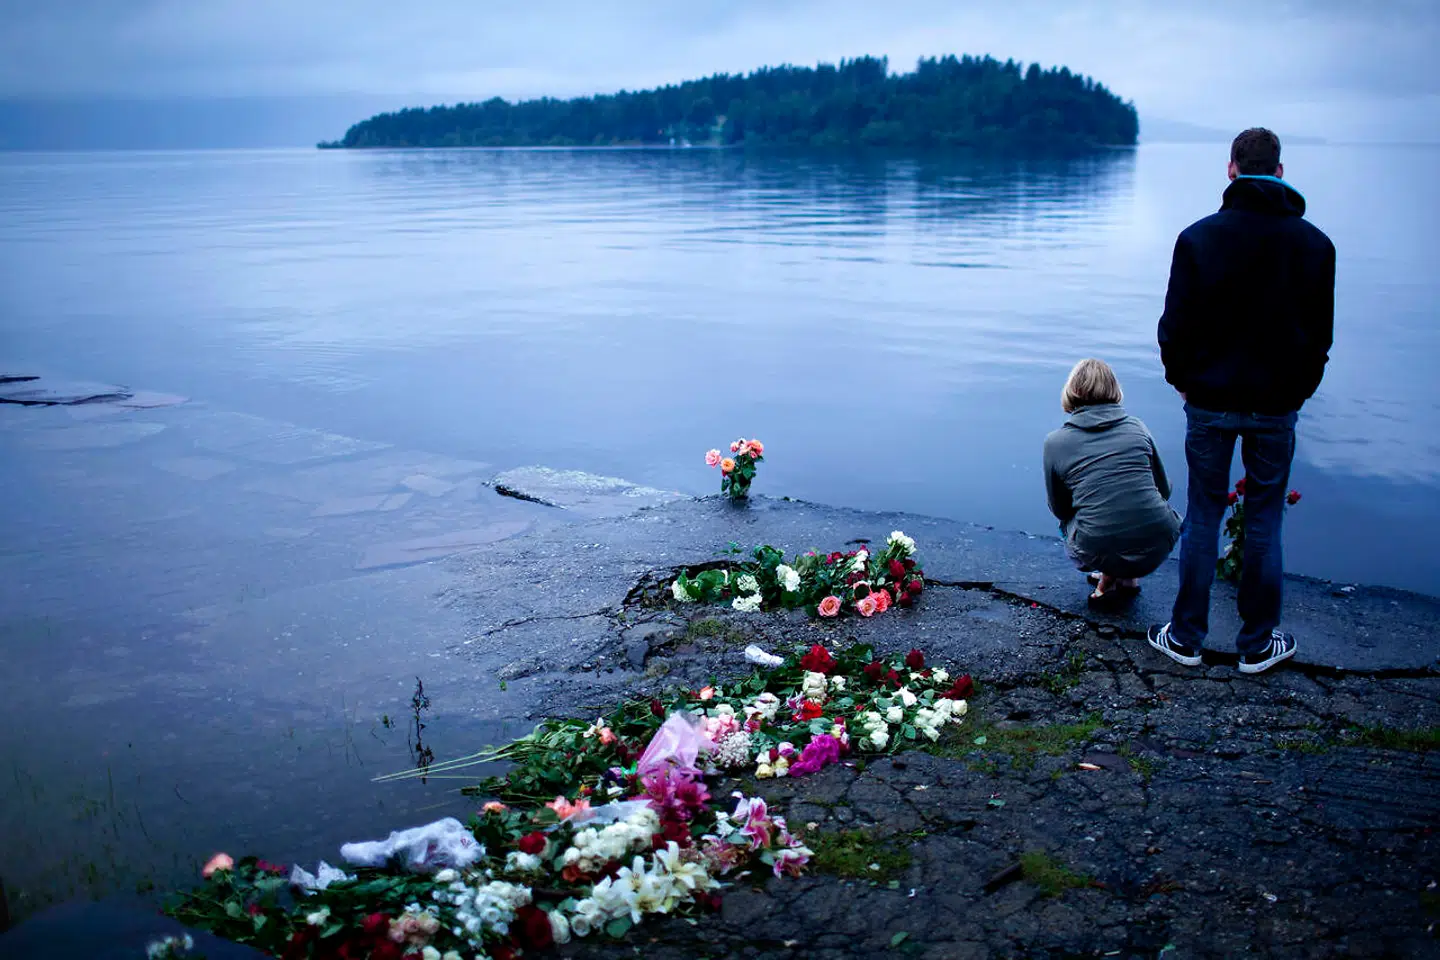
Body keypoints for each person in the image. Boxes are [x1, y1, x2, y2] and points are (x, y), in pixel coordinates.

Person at [1149, 127, 1335, 674]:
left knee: (1204, 513)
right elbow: (1319, 338)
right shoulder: (1315, 245)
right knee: (1264, 520)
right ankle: (1257, 644)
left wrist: (1182, 379)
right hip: (1276, 404)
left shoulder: (1197, 238)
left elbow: (1173, 327)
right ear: (1279, 172)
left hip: (1208, 398)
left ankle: (1185, 637)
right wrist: (1298, 390)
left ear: (1231, 169)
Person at [1044, 358, 1182, 607]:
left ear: (1071, 391)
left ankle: (1108, 577)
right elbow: (1164, 490)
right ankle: (1127, 579)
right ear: (1114, 389)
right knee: (1128, 507)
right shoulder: (1137, 428)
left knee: (1075, 521)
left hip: (1096, 548)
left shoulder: (1055, 442)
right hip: (1159, 542)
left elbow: (1060, 510)